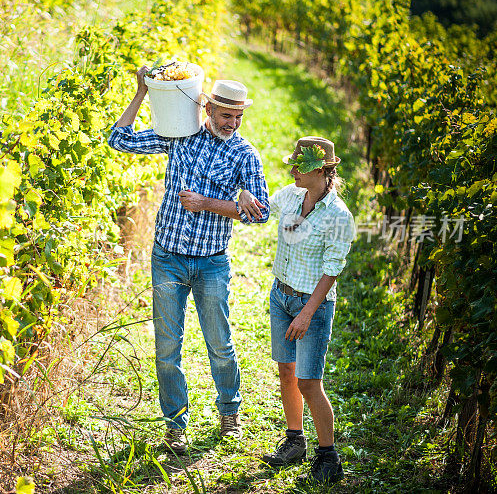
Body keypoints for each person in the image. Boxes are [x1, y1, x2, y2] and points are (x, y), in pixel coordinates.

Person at [107, 65, 270, 454]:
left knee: (219, 342)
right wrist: (142, 92)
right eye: (226, 114)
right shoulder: (180, 136)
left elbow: (261, 214)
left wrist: (221, 204)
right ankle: (175, 425)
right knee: (167, 348)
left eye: (238, 116)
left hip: (212, 263)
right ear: (209, 109)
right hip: (168, 258)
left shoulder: (245, 155)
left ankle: (230, 412)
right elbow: (119, 139)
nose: (232, 122)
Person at [259, 136, 354, 485]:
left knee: (309, 382)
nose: (293, 170)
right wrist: (242, 197)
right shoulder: (291, 195)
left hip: (310, 305)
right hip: (281, 296)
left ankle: (329, 455)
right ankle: (295, 440)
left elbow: (332, 270)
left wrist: (306, 313)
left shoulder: (339, 216)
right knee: (286, 371)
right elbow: (260, 208)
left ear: (323, 170)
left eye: (301, 165)